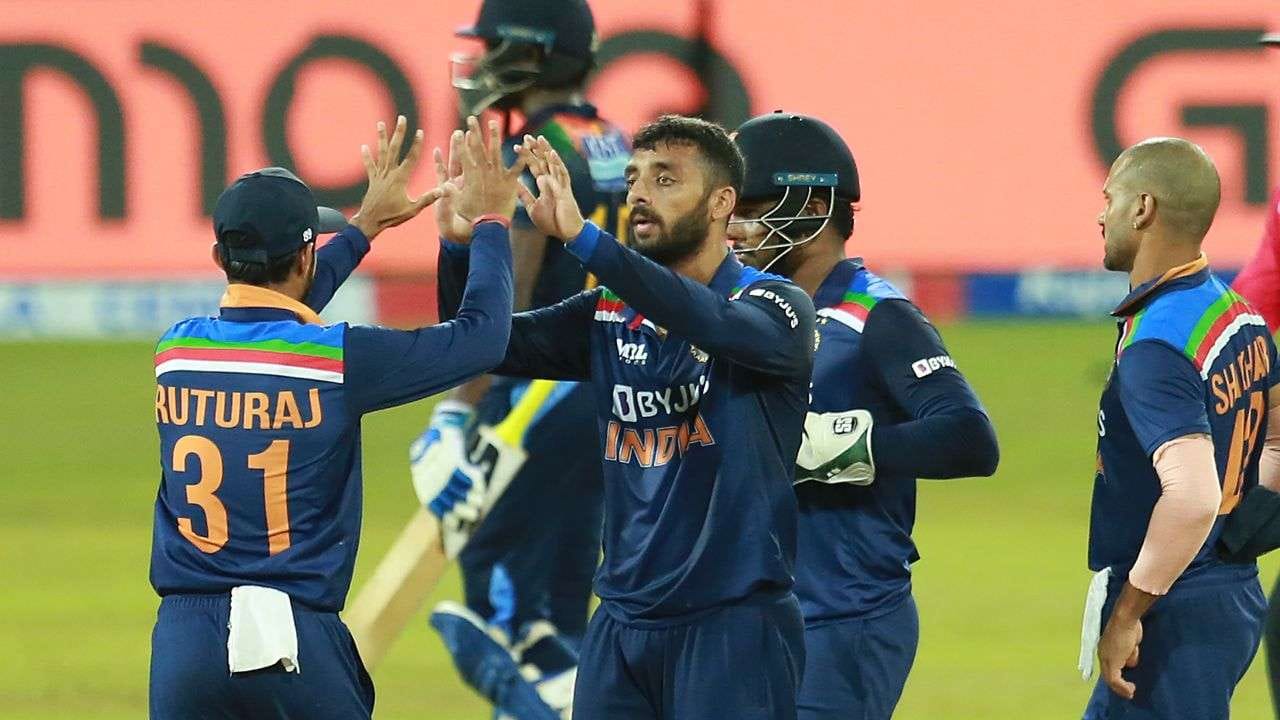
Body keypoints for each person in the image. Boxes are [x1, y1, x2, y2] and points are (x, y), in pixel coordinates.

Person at [437, 116, 814, 719]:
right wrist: (467, 245)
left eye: (665, 179)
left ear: (722, 203)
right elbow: (485, 345)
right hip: (620, 628)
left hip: (731, 626)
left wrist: (585, 240)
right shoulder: (609, 314)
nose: (639, 193)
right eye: (634, 178)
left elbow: (708, 320)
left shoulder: (775, 307)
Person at [148, 116, 522, 719]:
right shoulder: (342, 360)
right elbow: (483, 340)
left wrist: (363, 228)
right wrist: (491, 224)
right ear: (305, 255)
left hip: (182, 645)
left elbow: (271, 319)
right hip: (292, 638)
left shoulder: (176, 352)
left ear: (220, 255)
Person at [725, 111, 1000, 720]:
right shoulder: (743, 311)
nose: (734, 229)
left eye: (752, 209)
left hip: (843, 619)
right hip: (749, 612)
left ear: (813, 207)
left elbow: (969, 437)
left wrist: (840, 448)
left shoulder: (877, 316)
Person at [408, 2, 627, 713]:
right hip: (613, 395)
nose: (482, 62)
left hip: (532, 407)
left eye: (496, 46)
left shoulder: (530, 152)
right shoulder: (613, 141)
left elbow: (502, 305)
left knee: (506, 623)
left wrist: (452, 415)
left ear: (534, 54)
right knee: (561, 614)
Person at [1082, 137, 1277, 720]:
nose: (1101, 215)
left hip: (1174, 608)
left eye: (1110, 199)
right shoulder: (1237, 313)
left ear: (1143, 208)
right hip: (1226, 590)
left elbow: (1191, 498)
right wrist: (1242, 526)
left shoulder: (1157, 343)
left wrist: (1128, 613)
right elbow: (1276, 438)